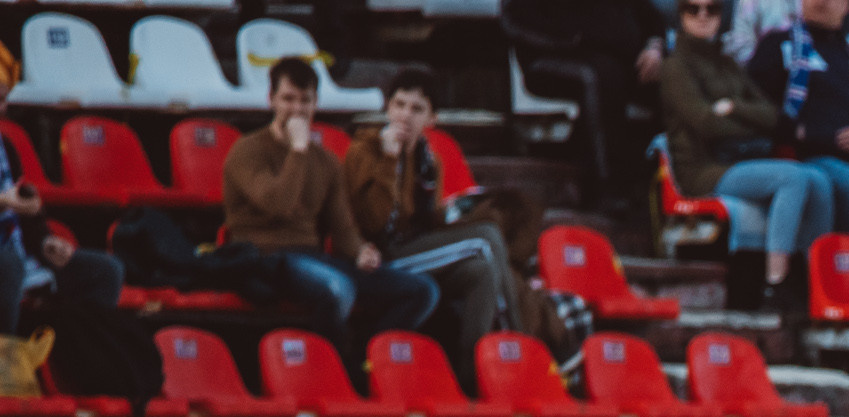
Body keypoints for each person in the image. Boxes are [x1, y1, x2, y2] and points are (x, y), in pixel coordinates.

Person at [222, 58, 439, 357]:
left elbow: (342, 226)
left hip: (311, 256)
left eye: (305, 101)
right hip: (263, 257)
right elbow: (277, 204)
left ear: (316, 103)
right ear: (271, 100)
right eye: (288, 99)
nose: (297, 110)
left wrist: (360, 250)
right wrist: (298, 150)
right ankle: (334, 369)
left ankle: (365, 358)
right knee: (338, 288)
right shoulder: (247, 150)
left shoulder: (325, 160)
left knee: (422, 290)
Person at [343, 70, 533, 358]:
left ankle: (473, 373)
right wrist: (388, 161)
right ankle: (519, 351)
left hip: (413, 249)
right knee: (485, 239)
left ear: (432, 119)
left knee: (481, 271)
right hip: (376, 257)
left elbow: (426, 224)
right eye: (399, 105)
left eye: (417, 109)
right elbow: (375, 222)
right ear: (387, 108)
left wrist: (453, 212)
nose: (405, 115)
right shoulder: (364, 151)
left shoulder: (428, 161)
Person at [669, 0, 832, 309]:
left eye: (712, 9)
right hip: (705, 168)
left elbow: (772, 116)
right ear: (680, 16)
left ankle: (814, 279)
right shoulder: (676, 67)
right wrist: (744, 117)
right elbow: (705, 124)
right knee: (793, 177)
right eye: (693, 9)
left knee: (819, 181)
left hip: (739, 161)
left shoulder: (727, 64)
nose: (703, 16)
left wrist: (734, 108)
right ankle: (776, 284)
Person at [746, 0, 849, 235]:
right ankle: (843, 265)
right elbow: (757, 112)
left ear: (847, 6)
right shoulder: (779, 47)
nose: (821, 2)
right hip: (808, 155)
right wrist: (815, 136)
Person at [500, 0, 666, 213]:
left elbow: (649, 16)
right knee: (600, 76)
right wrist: (574, 40)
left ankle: (671, 179)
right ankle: (607, 189)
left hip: (623, 59)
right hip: (553, 55)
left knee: (672, 75)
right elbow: (513, 19)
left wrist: (654, 47)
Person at [0, 126, 123, 338]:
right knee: (10, 266)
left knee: (106, 271)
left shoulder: (5, 146)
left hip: (20, 254)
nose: (3, 107)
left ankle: (86, 356)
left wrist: (44, 241)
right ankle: (5, 362)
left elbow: (24, 209)